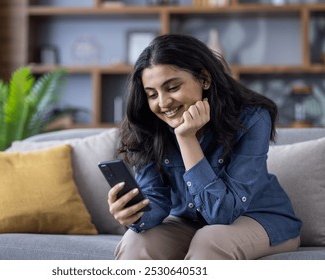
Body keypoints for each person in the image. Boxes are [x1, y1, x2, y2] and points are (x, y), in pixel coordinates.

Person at [107, 34, 302, 260]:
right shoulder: (147, 126)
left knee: (210, 241)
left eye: (172, 87)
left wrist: (186, 138)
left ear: (204, 79)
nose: (163, 103)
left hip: (259, 219)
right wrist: (134, 215)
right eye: (152, 94)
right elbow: (156, 200)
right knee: (135, 242)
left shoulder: (252, 117)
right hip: (188, 223)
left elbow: (222, 214)